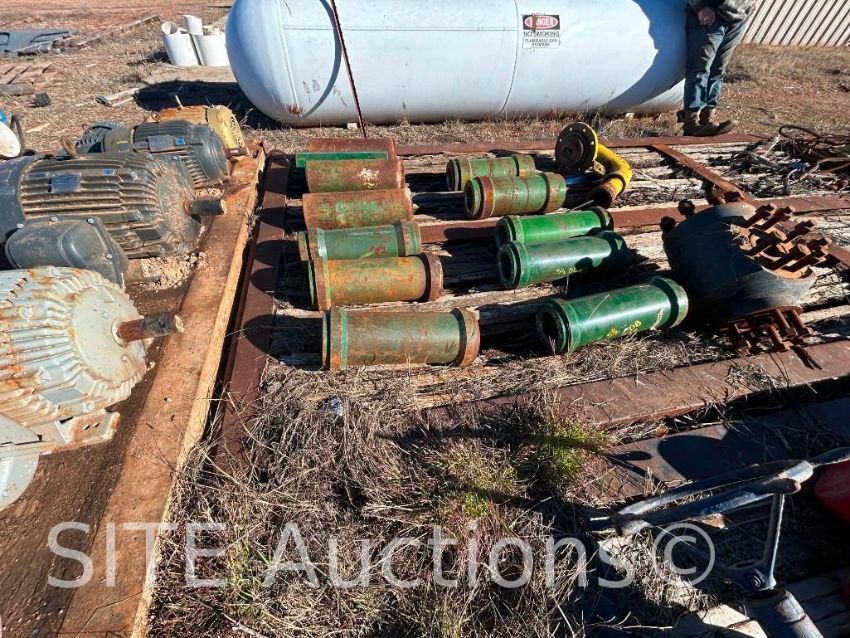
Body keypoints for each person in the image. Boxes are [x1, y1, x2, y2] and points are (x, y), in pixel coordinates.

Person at [681, 0, 757, 136]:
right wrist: (700, 6)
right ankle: (691, 123)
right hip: (711, 11)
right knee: (700, 68)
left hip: (739, 17)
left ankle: (707, 119)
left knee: (718, 69)